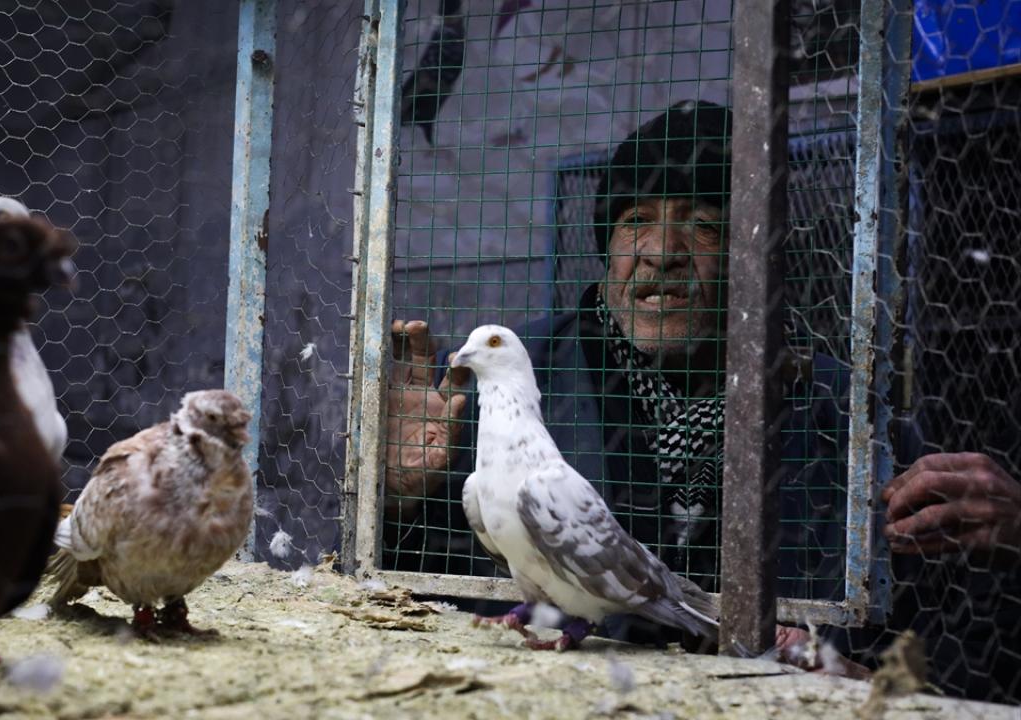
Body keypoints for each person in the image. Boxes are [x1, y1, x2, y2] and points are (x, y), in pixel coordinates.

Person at [382, 100, 1021, 702]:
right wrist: (403, 502)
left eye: (705, 225)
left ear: (757, 256)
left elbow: (952, 655)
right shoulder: (509, 388)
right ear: (606, 247)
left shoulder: (845, 416)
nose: (662, 254)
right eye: (635, 221)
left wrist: (1005, 549)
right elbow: (420, 611)